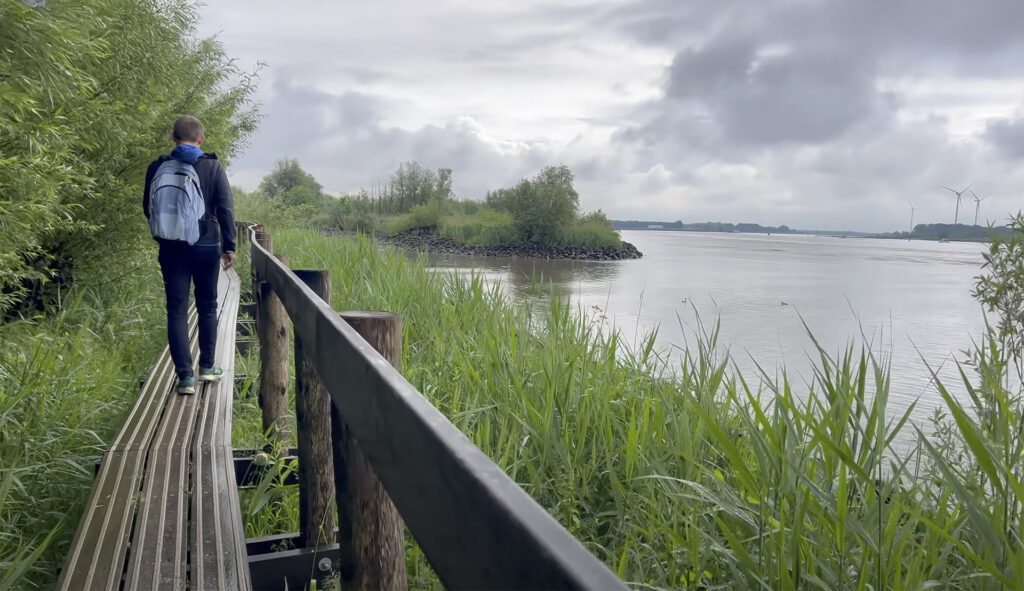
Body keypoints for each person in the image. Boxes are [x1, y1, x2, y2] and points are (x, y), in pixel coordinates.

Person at [143, 115, 236, 394]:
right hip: (206, 246)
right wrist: (229, 246)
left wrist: (168, 230)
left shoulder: (158, 167)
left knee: (176, 310)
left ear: (172, 137)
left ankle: (185, 378)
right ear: (201, 139)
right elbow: (226, 209)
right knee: (207, 305)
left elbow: (148, 207)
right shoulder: (212, 166)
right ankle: (207, 368)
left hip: (171, 248)